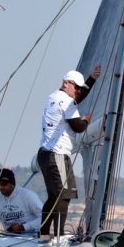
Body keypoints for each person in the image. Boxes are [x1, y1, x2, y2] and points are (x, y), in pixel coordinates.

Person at [37, 65, 99, 237]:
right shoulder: (66, 101)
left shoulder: (53, 97)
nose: (78, 90)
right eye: (76, 87)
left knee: (53, 196)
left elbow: (78, 97)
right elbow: (78, 127)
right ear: (66, 83)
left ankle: (43, 234)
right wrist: (86, 120)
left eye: (80, 87)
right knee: (64, 195)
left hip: (44, 154)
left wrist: (91, 79)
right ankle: (59, 236)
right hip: (57, 154)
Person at [0, 168, 42, 234]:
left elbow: (45, 217)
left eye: (4, 184)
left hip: (31, 236)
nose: (1, 187)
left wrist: (23, 227)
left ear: (12, 183)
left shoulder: (28, 195)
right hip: (9, 237)